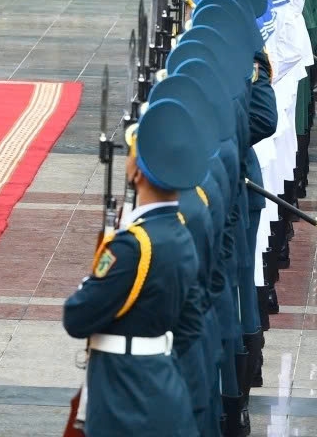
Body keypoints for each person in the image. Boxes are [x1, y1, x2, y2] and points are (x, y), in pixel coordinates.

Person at [63, 97, 208, 437]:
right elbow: (190, 325)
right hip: (163, 387)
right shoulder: (180, 234)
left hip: (123, 400)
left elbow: (77, 316)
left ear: (137, 170)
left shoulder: (131, 247)